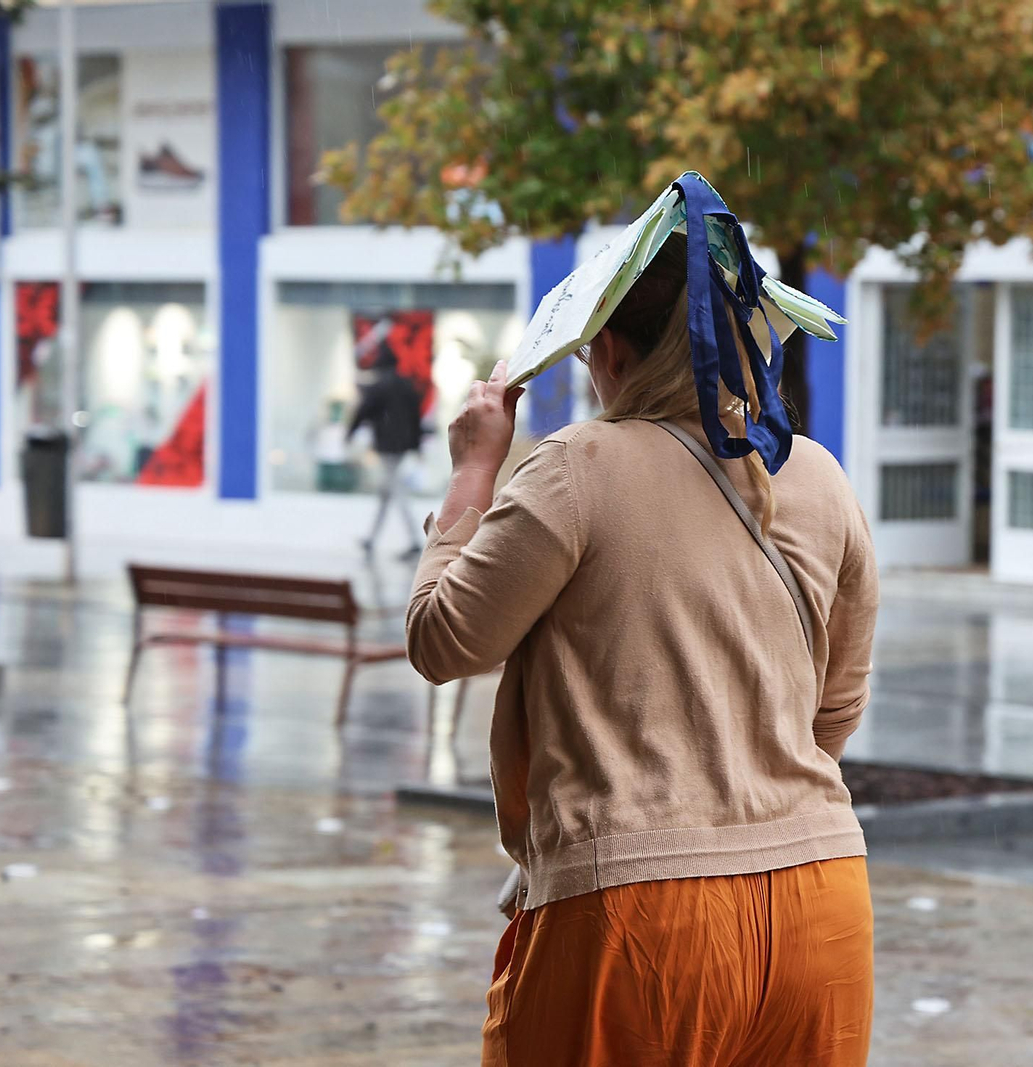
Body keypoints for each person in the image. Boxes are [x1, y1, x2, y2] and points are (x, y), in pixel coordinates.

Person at [406, 228, 879, 1066]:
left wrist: (474, 470)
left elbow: (444, 640)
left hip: (638, 919)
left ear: (614, 351)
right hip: (822, 900)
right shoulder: (819, 476)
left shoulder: (577, 468)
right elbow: (834, 710)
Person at [347, 334, 425, 559]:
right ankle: (371, 539)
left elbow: (364, 410)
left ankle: (414, 540)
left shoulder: (380, 386)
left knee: (396, 491)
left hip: (388, 446)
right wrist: (416, 444)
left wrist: (350, 433)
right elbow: (415, 418)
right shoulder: (406, 386)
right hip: (402, 445)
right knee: (387, 491)